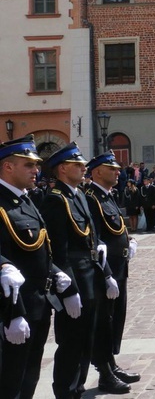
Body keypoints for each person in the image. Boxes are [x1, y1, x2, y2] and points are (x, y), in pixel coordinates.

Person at [41, 142, 123, 398]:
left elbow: (95, 242)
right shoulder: (57, 200)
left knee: (87, 339)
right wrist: (69, 290)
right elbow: (59, 250)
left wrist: (107, 273)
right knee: (72, 342)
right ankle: (66, 391)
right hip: (75, 278)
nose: (84, 168)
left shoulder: (79, 196)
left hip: (92, 276)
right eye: (78, 165)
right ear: (63, 169)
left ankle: (78, 388)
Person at [0, 136, 72, 399]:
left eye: (37, 165)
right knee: (10, 379)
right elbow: (6, 264)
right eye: (29, 165)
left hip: (39, 306)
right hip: (13, 310)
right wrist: (13, 314)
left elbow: (39, 247)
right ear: (8, 167)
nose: (36, 171)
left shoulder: (26, 200)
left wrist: (55, 272)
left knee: (29, 374)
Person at [85, 151, 141, 392]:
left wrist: (128, 243)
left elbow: (116, 228)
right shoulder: (91, 198)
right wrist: (106, 274)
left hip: (120, 267)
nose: (118, 172)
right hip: (105, 272)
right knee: (103, 322)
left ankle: (111, 363)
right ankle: (104, 372)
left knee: (116, 318)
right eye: (112, 169)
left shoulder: (108, 196)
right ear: (97, 172)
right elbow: (95, 240)